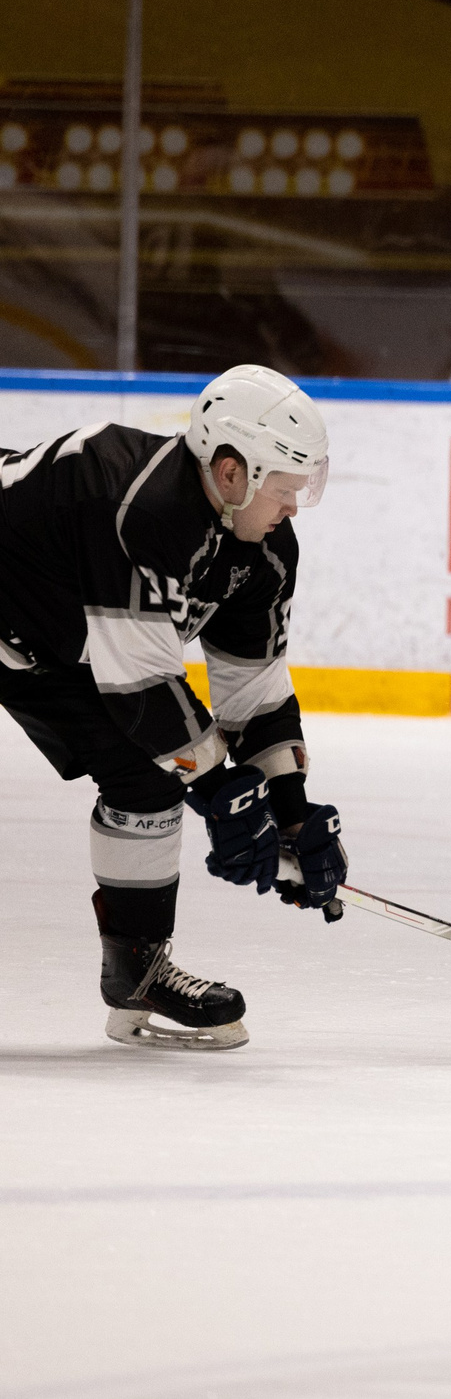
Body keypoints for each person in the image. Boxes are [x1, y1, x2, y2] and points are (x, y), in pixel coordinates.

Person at [0, 365, 347, 1050]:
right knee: (170, 756)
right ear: (230, 472)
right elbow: (143, 686)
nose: (294, 507)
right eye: (283, 488)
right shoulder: (137, 504)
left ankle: (137, 971)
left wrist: (292, 806)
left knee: (148, 777)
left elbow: (252, 690)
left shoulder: (265, 549)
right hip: (40, 629)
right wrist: (223, 794)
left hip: (42, 643)